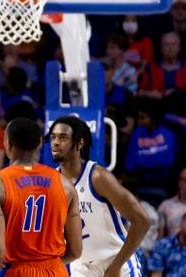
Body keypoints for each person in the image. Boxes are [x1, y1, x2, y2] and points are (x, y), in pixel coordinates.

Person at [0, 118, 83, 277]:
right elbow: (75, 250)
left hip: (17, 271)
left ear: (8, 144)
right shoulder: (66, 185)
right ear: (40, 143)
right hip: (55, 270)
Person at [49, 116, 150, 276]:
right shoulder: (51, 181)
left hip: (116, 262)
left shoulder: (97, 177)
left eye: (63, 138)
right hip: (81, 267)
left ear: (79, 143)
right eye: (53, 137)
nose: (55, 142)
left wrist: (116, 265)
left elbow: (142, 220)